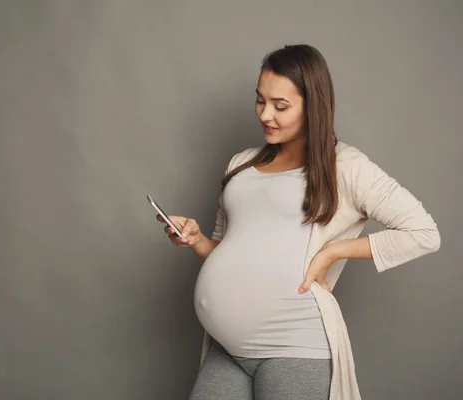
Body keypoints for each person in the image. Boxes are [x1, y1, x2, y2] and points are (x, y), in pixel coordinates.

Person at [156, 44, 440, 400]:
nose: (265, 115)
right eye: (260, 101)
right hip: (228, 350)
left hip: (294, 348)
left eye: (281, 106)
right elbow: (229, 251)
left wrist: (333, 251)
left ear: (313, 106)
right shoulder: (240, 165)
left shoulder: (345, 166)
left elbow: (423, 232)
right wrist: (197, 240)